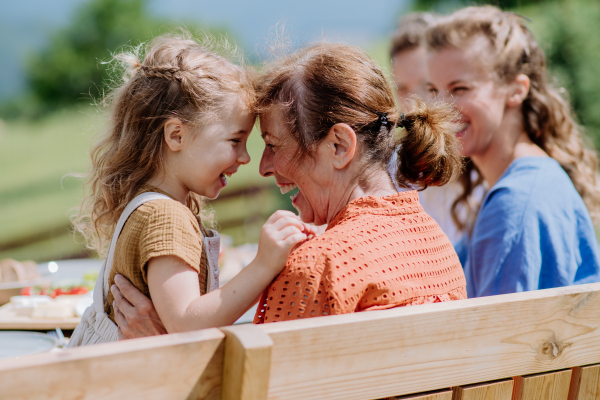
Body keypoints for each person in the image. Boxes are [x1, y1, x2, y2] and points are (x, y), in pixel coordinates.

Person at [111, 42, 467, 336]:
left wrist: (164, 350)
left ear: (339, 146)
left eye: (273, 144)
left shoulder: (318, 268)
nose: (262, 166)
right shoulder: (439, 249)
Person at [68, 33, 314, 345]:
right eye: (235, 140)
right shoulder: (165, 217)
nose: (245, 157)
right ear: (176, 136)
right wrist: (263, 265)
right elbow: (186, 323)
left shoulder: (151, 205)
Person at [426, 6, 600, 297]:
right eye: (433, 91)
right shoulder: (531, 180)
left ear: (516, 90)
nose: (441, 109)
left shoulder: (516, 201)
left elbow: (498, 335)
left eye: (460, 89)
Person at [390, 12, 475, 248]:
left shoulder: (484, 168)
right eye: (404, 89)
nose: (417, 102)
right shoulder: (390, 173)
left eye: (428, 86)